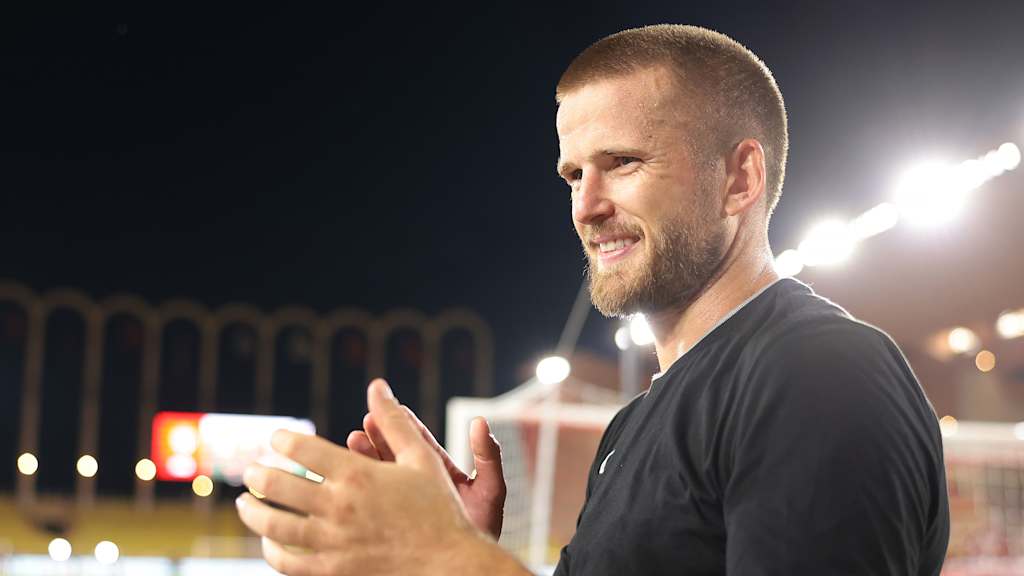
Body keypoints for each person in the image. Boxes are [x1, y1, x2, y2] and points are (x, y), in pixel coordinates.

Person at [235, 24, 950, 575]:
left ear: (739, 179)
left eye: (624, 163)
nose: (586, 206)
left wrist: (448, 558)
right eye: (573, 175)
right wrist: (469, 546)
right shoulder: (635, 425)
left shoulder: (819, 371)